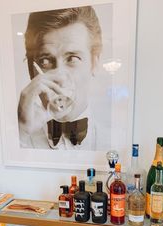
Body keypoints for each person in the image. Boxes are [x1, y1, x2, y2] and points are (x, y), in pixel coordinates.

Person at [18, 6, 103, 150]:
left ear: (94, 63)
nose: (59, 79)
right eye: (45, 61)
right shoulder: (18, 138)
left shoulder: (114, 138)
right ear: (31, 72)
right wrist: (22, 132)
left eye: (72, 58)